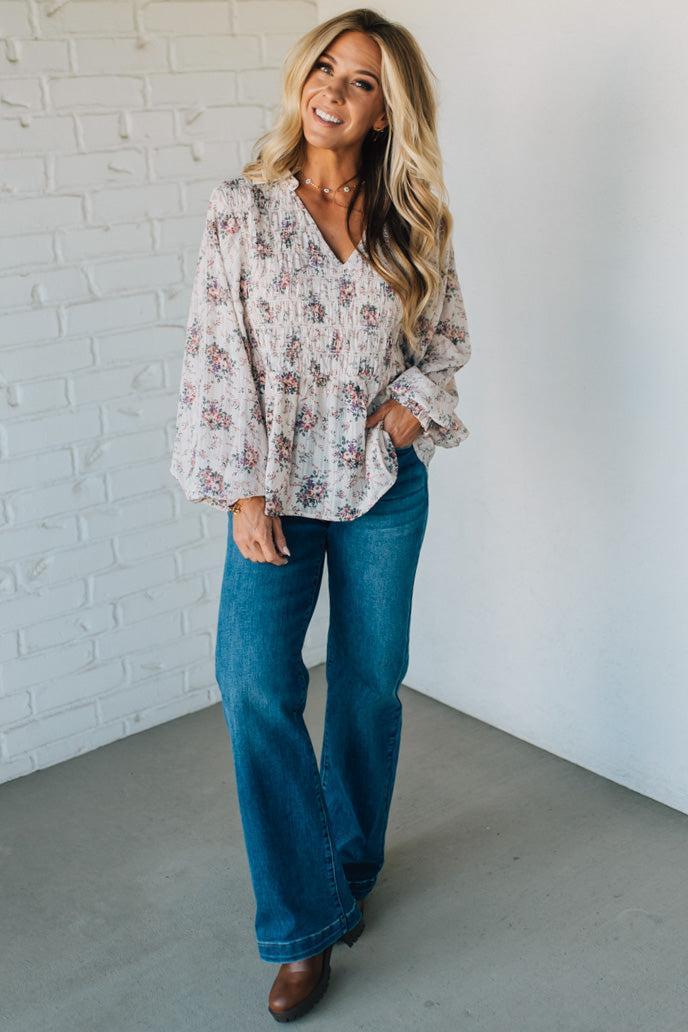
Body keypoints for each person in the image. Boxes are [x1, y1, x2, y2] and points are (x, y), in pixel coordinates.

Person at [170, 7, 472, 1022]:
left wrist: (407, 408)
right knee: (254, 684)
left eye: (362, 82)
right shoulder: (242, 210)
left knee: (368, 688)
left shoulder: (412, 220)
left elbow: (447, 345)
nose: (333, 90)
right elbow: (217, 359)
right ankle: (301, 926)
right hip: (277, 491)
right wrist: (242, 491)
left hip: (382, 490)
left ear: (388, 112)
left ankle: (347, 870)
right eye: (327, 68)